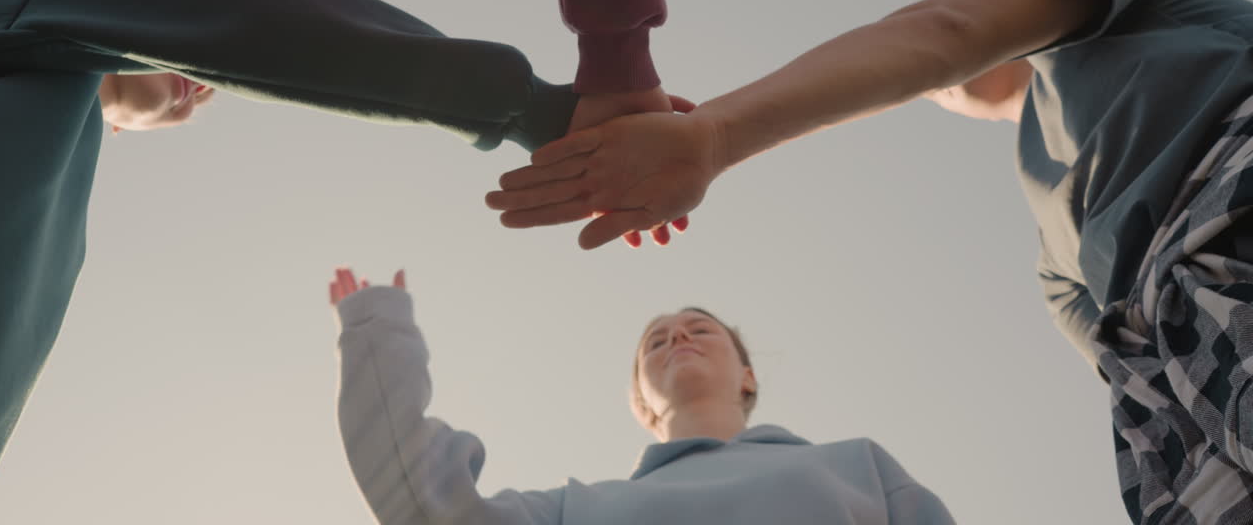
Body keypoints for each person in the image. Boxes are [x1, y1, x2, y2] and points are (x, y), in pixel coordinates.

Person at [0, 0, 678, 504]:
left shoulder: (48, 189)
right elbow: (249, 14)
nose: (203, 89)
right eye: (203, 77)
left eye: (206, 93)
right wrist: (545, 110)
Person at [487, 0, 1253, 522]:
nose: (932, 84)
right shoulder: (1057, 259)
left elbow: (944, 32)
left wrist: (710, 137)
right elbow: (1134, 371)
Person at [329, 267, 955, 523]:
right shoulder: (575, 511)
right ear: (642, 402)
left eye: (699, 329)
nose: (678, 334)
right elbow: (425, 503)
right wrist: (377, 332)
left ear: (747, 375)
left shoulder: (859, 466)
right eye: (657, 340)